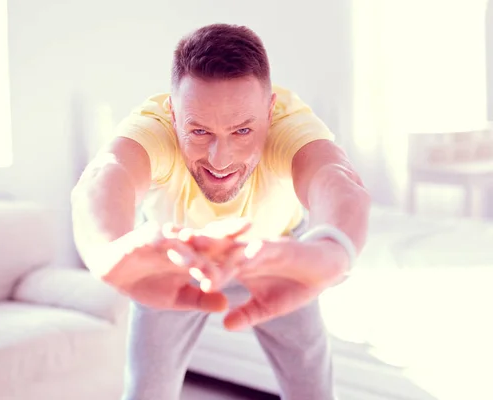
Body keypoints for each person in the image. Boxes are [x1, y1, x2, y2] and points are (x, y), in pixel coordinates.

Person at [71, 23, 371, 400]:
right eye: (199, 132)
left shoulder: (290, 123)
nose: (220, 159)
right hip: (174, 262)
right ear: (173, 114)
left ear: (270, 110)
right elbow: (105, 176)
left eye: (243, 132)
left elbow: (335, 177)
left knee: (313, 392)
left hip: (277, 257)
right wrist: (106, 251)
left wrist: (333, 249)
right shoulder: (153, 127)